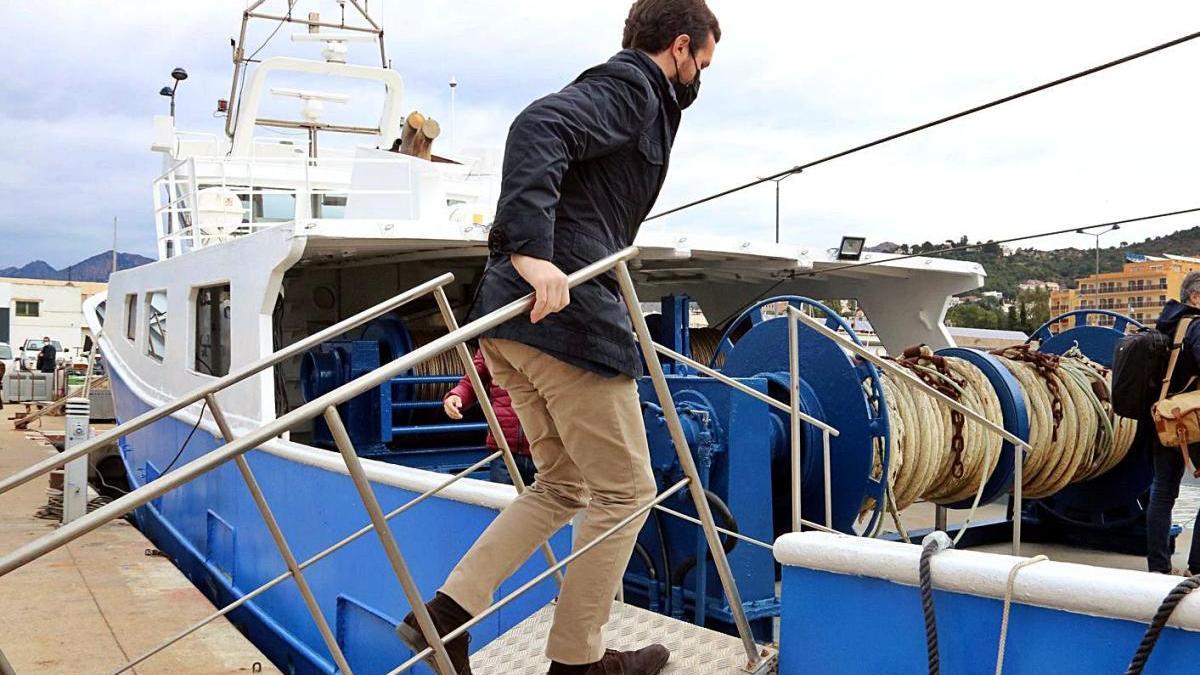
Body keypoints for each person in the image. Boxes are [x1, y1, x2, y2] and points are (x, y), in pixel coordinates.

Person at [397, 2, 719, 673]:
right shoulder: (635, 86)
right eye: (703, 66)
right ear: (680, 47)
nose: (699, 81)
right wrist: (532, 252)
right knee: (627, 491)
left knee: (563, 484)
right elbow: (538, 126)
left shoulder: (631, 90)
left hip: (510, 328)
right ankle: (577, 661)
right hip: (563, 320)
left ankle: (446, 614)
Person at [1146, 271, 1200, 575]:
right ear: (1195, 297)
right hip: (1192, 420)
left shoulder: (1167, 324)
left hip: (1163, 419)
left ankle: (1158, 567)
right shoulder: (1197, 326)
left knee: (1163, 492)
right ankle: (1197, 567)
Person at [443, 347, 536, 486]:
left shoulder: (550, 339)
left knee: (553, 504)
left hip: (547, 450)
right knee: (501, 504)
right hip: (504, 452)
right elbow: (473, 380)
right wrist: (457, 395)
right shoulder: (492, 342)